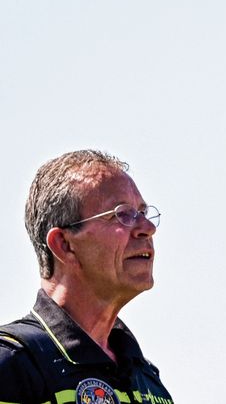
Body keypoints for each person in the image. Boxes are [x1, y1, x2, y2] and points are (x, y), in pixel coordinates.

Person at [0, 150, 174, 403]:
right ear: (64, 244)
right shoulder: (12, 364)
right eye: (122, 214)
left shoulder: (147, 380)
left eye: (143, 213)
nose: (148, 229)